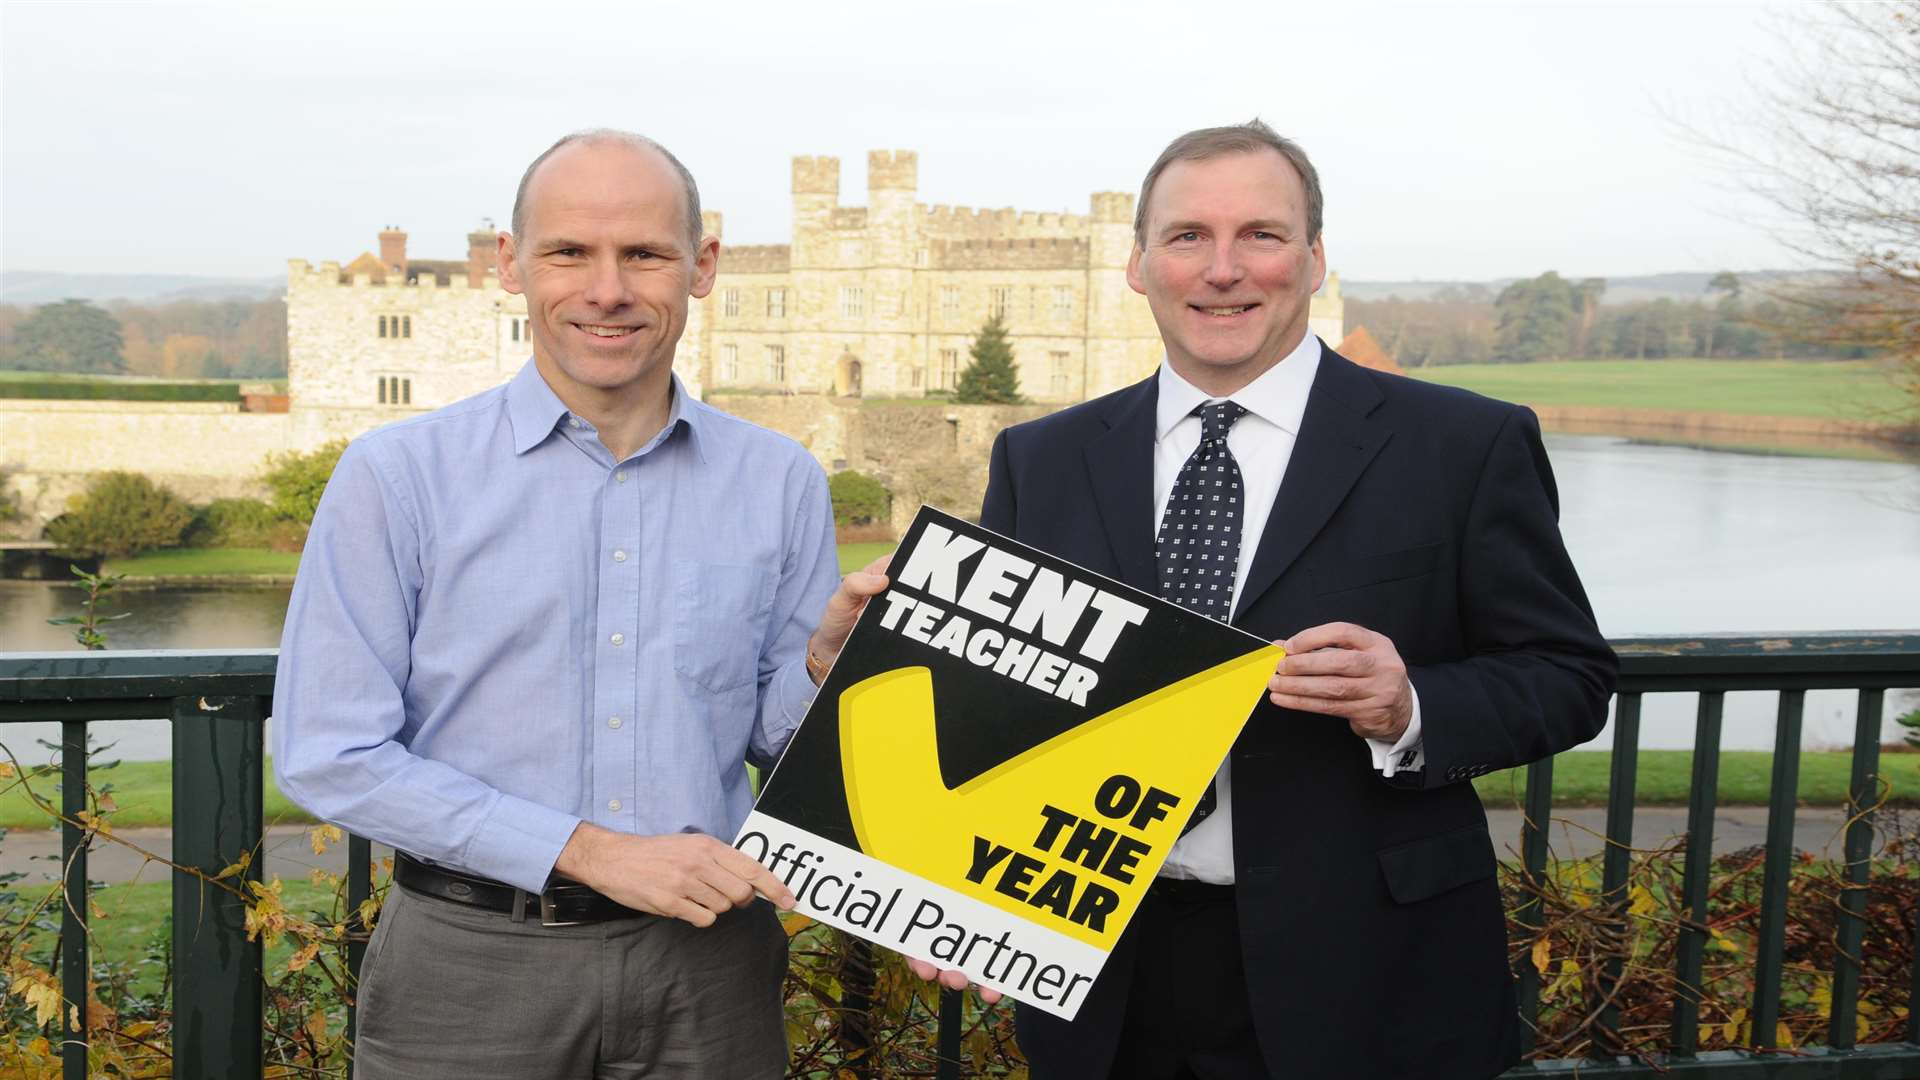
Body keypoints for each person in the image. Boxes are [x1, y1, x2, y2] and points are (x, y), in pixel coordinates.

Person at [942, 121, 1618, 1079]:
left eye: (1261, 234)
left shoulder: (1462, 445)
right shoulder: (1042, 458)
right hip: (1103, 982)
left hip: (1370, 978)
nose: (1223, 269)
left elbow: (1567, 677)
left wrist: (1410, 706)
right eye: (1187, 237)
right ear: (1139, 265)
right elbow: (1002, 702)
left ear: (1314, 260)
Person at [273, 129, 887, 1079]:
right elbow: (330, 752)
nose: (608, 290)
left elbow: (776, 745)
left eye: (643, 253)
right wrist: (588, 851)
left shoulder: (780, 481)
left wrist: (822, 668)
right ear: (512, 267)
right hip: (470, 968)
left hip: (710, 968)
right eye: (570, 252)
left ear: (702, 267)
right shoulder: (398, 477)